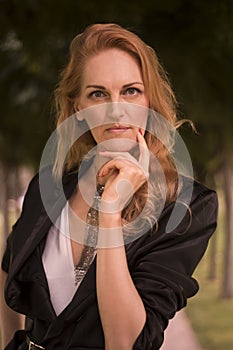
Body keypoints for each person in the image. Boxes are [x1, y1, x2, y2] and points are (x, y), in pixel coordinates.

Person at [0, 23, 218, 350]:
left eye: (130, 90)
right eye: (98, 94)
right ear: (79, 109)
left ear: (149, 101)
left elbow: (125, 342)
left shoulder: (187, 207)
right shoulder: (49, 186)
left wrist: (111, 212)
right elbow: (8, 272)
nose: (116, 110)